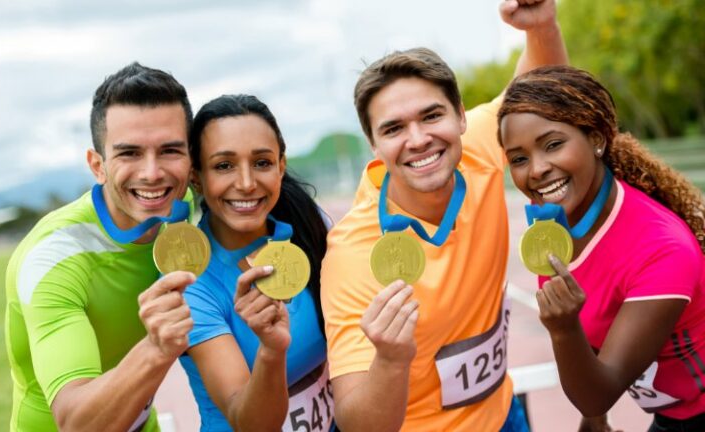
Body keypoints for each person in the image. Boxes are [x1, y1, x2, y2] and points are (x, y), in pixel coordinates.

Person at [319, 1, 569, 431]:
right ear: (373, 144)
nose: (418, 139)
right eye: (393, 128)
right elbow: (357, 423)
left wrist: (542, 26)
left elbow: (541, 89)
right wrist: (391, 359)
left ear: (460, 116)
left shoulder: (477, 150)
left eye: (431, 116)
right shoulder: (353, 255)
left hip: (504, 416)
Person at [498, 65, 705, 432]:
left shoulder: (662, 250)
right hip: (672, 414)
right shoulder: (553, 228)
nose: (537, 169)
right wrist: (594, 421)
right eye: (519, 158)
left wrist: (563, 329)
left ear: (596, 138)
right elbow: (596, 342)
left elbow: (600, 390)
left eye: (553, 144)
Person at [5, 62, 197, 431]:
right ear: (98, 165)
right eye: (129, 153)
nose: (152, 172)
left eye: (170, 151)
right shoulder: (52, 258)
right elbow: (76, 422)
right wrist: (155, 350)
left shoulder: (183, 206)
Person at [179, 94, 332, 431]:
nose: (246, 183)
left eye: (262, 162)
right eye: (224, 166)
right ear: (196, 176)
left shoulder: (311, 223)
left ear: (281, 165)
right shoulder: (190, 285)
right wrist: (271, 351)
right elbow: (249, 422)